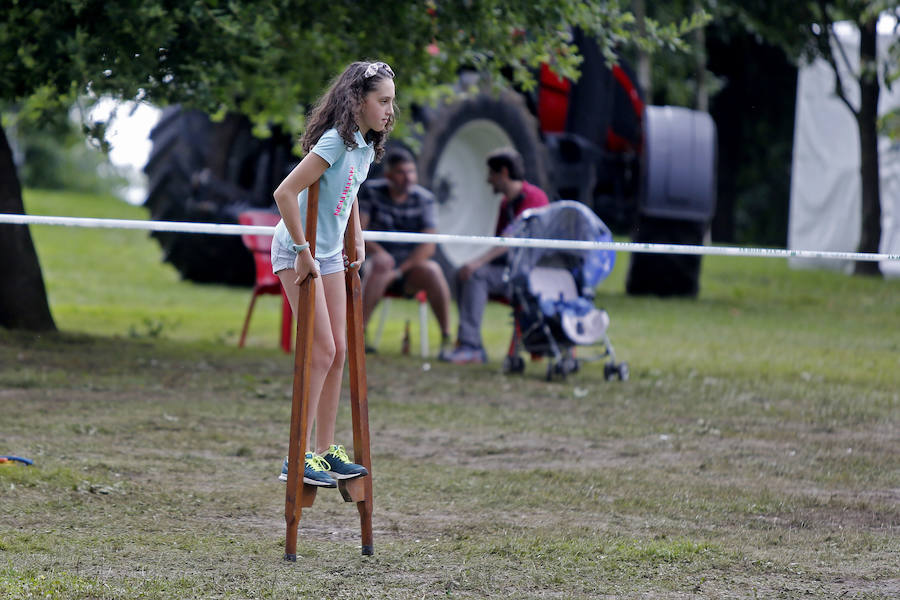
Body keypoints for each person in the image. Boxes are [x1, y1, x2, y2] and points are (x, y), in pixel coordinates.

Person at [271, 61, 395, 488]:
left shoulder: (363, 145)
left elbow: (350, 192)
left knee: (339, 350)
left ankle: (324, 452)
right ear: (358, 101)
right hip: (296, 251)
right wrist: (303, 251)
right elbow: (285, 193)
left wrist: (355, 235)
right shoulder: (334, 143)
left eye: (392, 102)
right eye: (383, 101)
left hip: (328, 254)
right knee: (320, 351)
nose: (389, 110)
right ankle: (297, 455)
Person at [441, 148, 549, 364]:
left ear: (504, 173)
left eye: (491, 174)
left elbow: (510, 240)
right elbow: (498, 244)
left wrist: (477, 264)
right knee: (461, 274)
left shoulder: (534, 198)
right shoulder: (506, 203)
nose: (488, 180)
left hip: (533, 276)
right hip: (511, 271)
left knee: (476, 275)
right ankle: (469, 342)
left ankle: (471, 347)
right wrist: (471, 264)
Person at [358, 148, 452, 355]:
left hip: (410, 266)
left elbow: (429, 246)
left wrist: (400, 270)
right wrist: (380, 253)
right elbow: (359, 232)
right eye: (401, 172)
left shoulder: (425, 199)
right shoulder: (371, 192)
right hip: (377, 260)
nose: (408, 178)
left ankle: (447, 338)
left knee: (433, 270)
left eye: (411, 172)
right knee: (382, 264)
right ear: (389, 175)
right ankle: (359, 334)